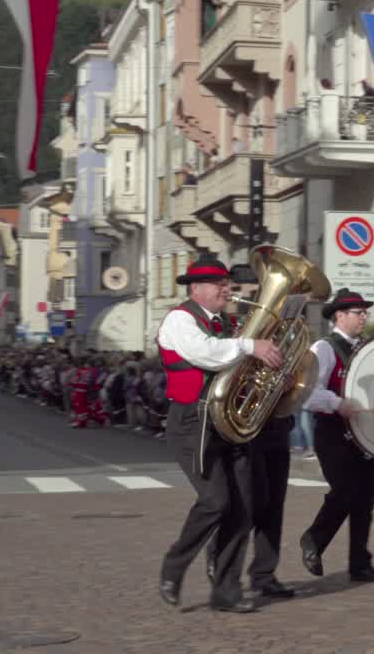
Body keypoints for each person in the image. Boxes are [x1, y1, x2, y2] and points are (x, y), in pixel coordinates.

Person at [158, 254, 284, 614]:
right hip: (192, 423)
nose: (225, 289)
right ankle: (175, 563)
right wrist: (250, 346)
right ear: (195, 289)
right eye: (217, 284)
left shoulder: (230, 323)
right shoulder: (180, 320)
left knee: (243, 509)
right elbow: (206, 355)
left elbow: (243, 366)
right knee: (216, 501)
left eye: (226, 283)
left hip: (229, 422)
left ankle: (226, 591)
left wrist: (274, 366)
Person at [298, 289, 374, 584]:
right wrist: (338, 404)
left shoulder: (366, 348)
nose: (364, 317)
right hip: (334, 432)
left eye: (365, 312)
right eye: (357, 312)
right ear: (339, 315)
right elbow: (308, 393)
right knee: (346, 492)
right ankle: (314, 538)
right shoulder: (323, 348)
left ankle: (360, 564)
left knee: (365, 502)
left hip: (365, 433)